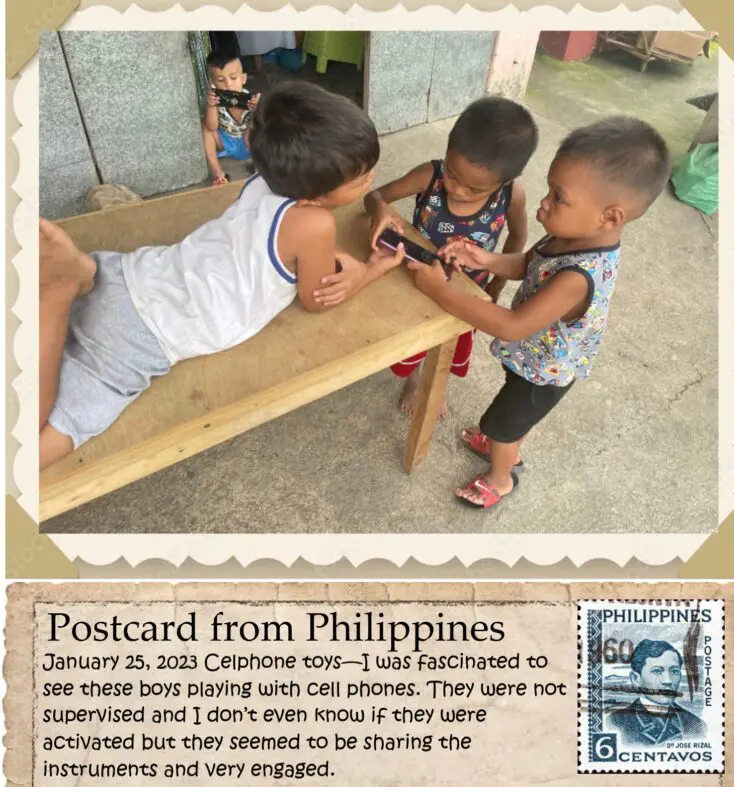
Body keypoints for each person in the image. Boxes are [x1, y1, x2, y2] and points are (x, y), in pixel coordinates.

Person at [39, 82, 405, 471]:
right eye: (361, 178)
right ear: (314, 196)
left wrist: (318, 253)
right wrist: (369, 271)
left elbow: (274, 235)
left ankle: (82, 273)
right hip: (140, 334)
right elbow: (316, 299)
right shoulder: (314, 223)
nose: (371, 179)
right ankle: (59, 293)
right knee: (36, 447)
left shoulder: (264, 179)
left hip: (131, 273)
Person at [406, 116, 671, 508]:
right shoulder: (570, 233)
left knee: (501, 423)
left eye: (558, 197)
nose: (543, 204)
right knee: (511, 418)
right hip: (534, 358)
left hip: (546, 373)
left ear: (610, 216)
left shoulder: (578, 278)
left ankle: (500, 477)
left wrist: (440, 291)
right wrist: (484, 257)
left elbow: (512, 326)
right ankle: (505, 442)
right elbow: (528, 263)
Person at [360, 97, 537, 416]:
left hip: (468, 291)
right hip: (417, 278)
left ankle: (436, 383)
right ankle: (415, 379)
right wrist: (381, 208)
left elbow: (519, 236)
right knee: (415, 338)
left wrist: (496, 286)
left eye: (474, 190)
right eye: (453, 174)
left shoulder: (512, 196)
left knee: (451, 342)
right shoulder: (429, 176)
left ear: (504, 182)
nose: (456, 190)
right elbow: (373, 196)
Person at [606, 639, 706, 745]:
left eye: (674, 671)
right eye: (657, 671)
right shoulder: (615, 723)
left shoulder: (696, 724)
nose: (668, 681)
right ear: (636, 678)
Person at [202, 52, 260, 185]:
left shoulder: (250, 99)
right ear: (213, 83)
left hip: (248, 144)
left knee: (257, 125)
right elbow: (212, 127)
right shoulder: (215, 100)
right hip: (224, 143)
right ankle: (218, 173)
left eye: (233, 78)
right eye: (221, 80)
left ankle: (258, 166)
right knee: (205, 126)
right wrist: (211, 105)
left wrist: (256, 110)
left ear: (243, 78)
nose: (228, 84)